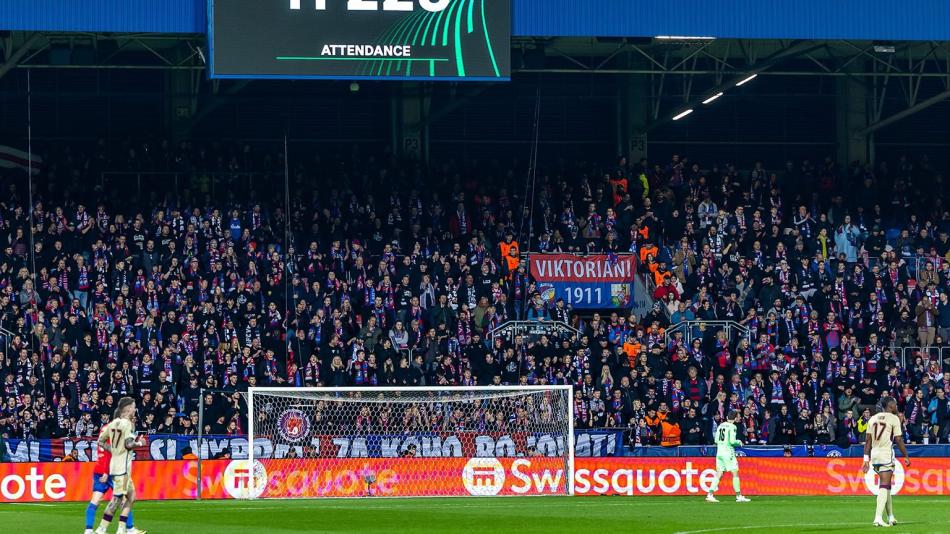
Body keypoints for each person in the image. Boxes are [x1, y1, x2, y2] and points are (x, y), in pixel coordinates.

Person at [95, 397, 146, 534]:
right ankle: (101, 529)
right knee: (116, 499)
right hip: (122, 469)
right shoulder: (127, 424)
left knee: (131, 496)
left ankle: (122, 528)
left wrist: (113, 450)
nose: (135, 410)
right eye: (134, 407)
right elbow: (129, 444)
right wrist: (140, 443)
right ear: (128, 408)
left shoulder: (112, 424)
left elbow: (100, 441)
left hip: (117, 465)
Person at [860, 397, 910, 528]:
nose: (896, 405)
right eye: (894, 403)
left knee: (887, 486)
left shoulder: (873, 418)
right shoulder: (894, 418)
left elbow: (868, 442)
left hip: (874, 455)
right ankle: (877, 518)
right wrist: (906, 455)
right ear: (890, 405)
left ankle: (890, 516)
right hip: (885, 454)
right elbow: (898, 439)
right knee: (884, 485)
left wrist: (866, 460)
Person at [705, 410, 751, 503]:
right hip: (727, 452)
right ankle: (738, 496)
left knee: (719, 473)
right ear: (734, 419)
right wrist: (739, 442)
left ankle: (710, 494)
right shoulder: (732, 426)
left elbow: (716, 440)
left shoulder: (720, 425)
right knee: (735, 473)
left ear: (726, 417)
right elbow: (732, 441)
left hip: (719, 452)